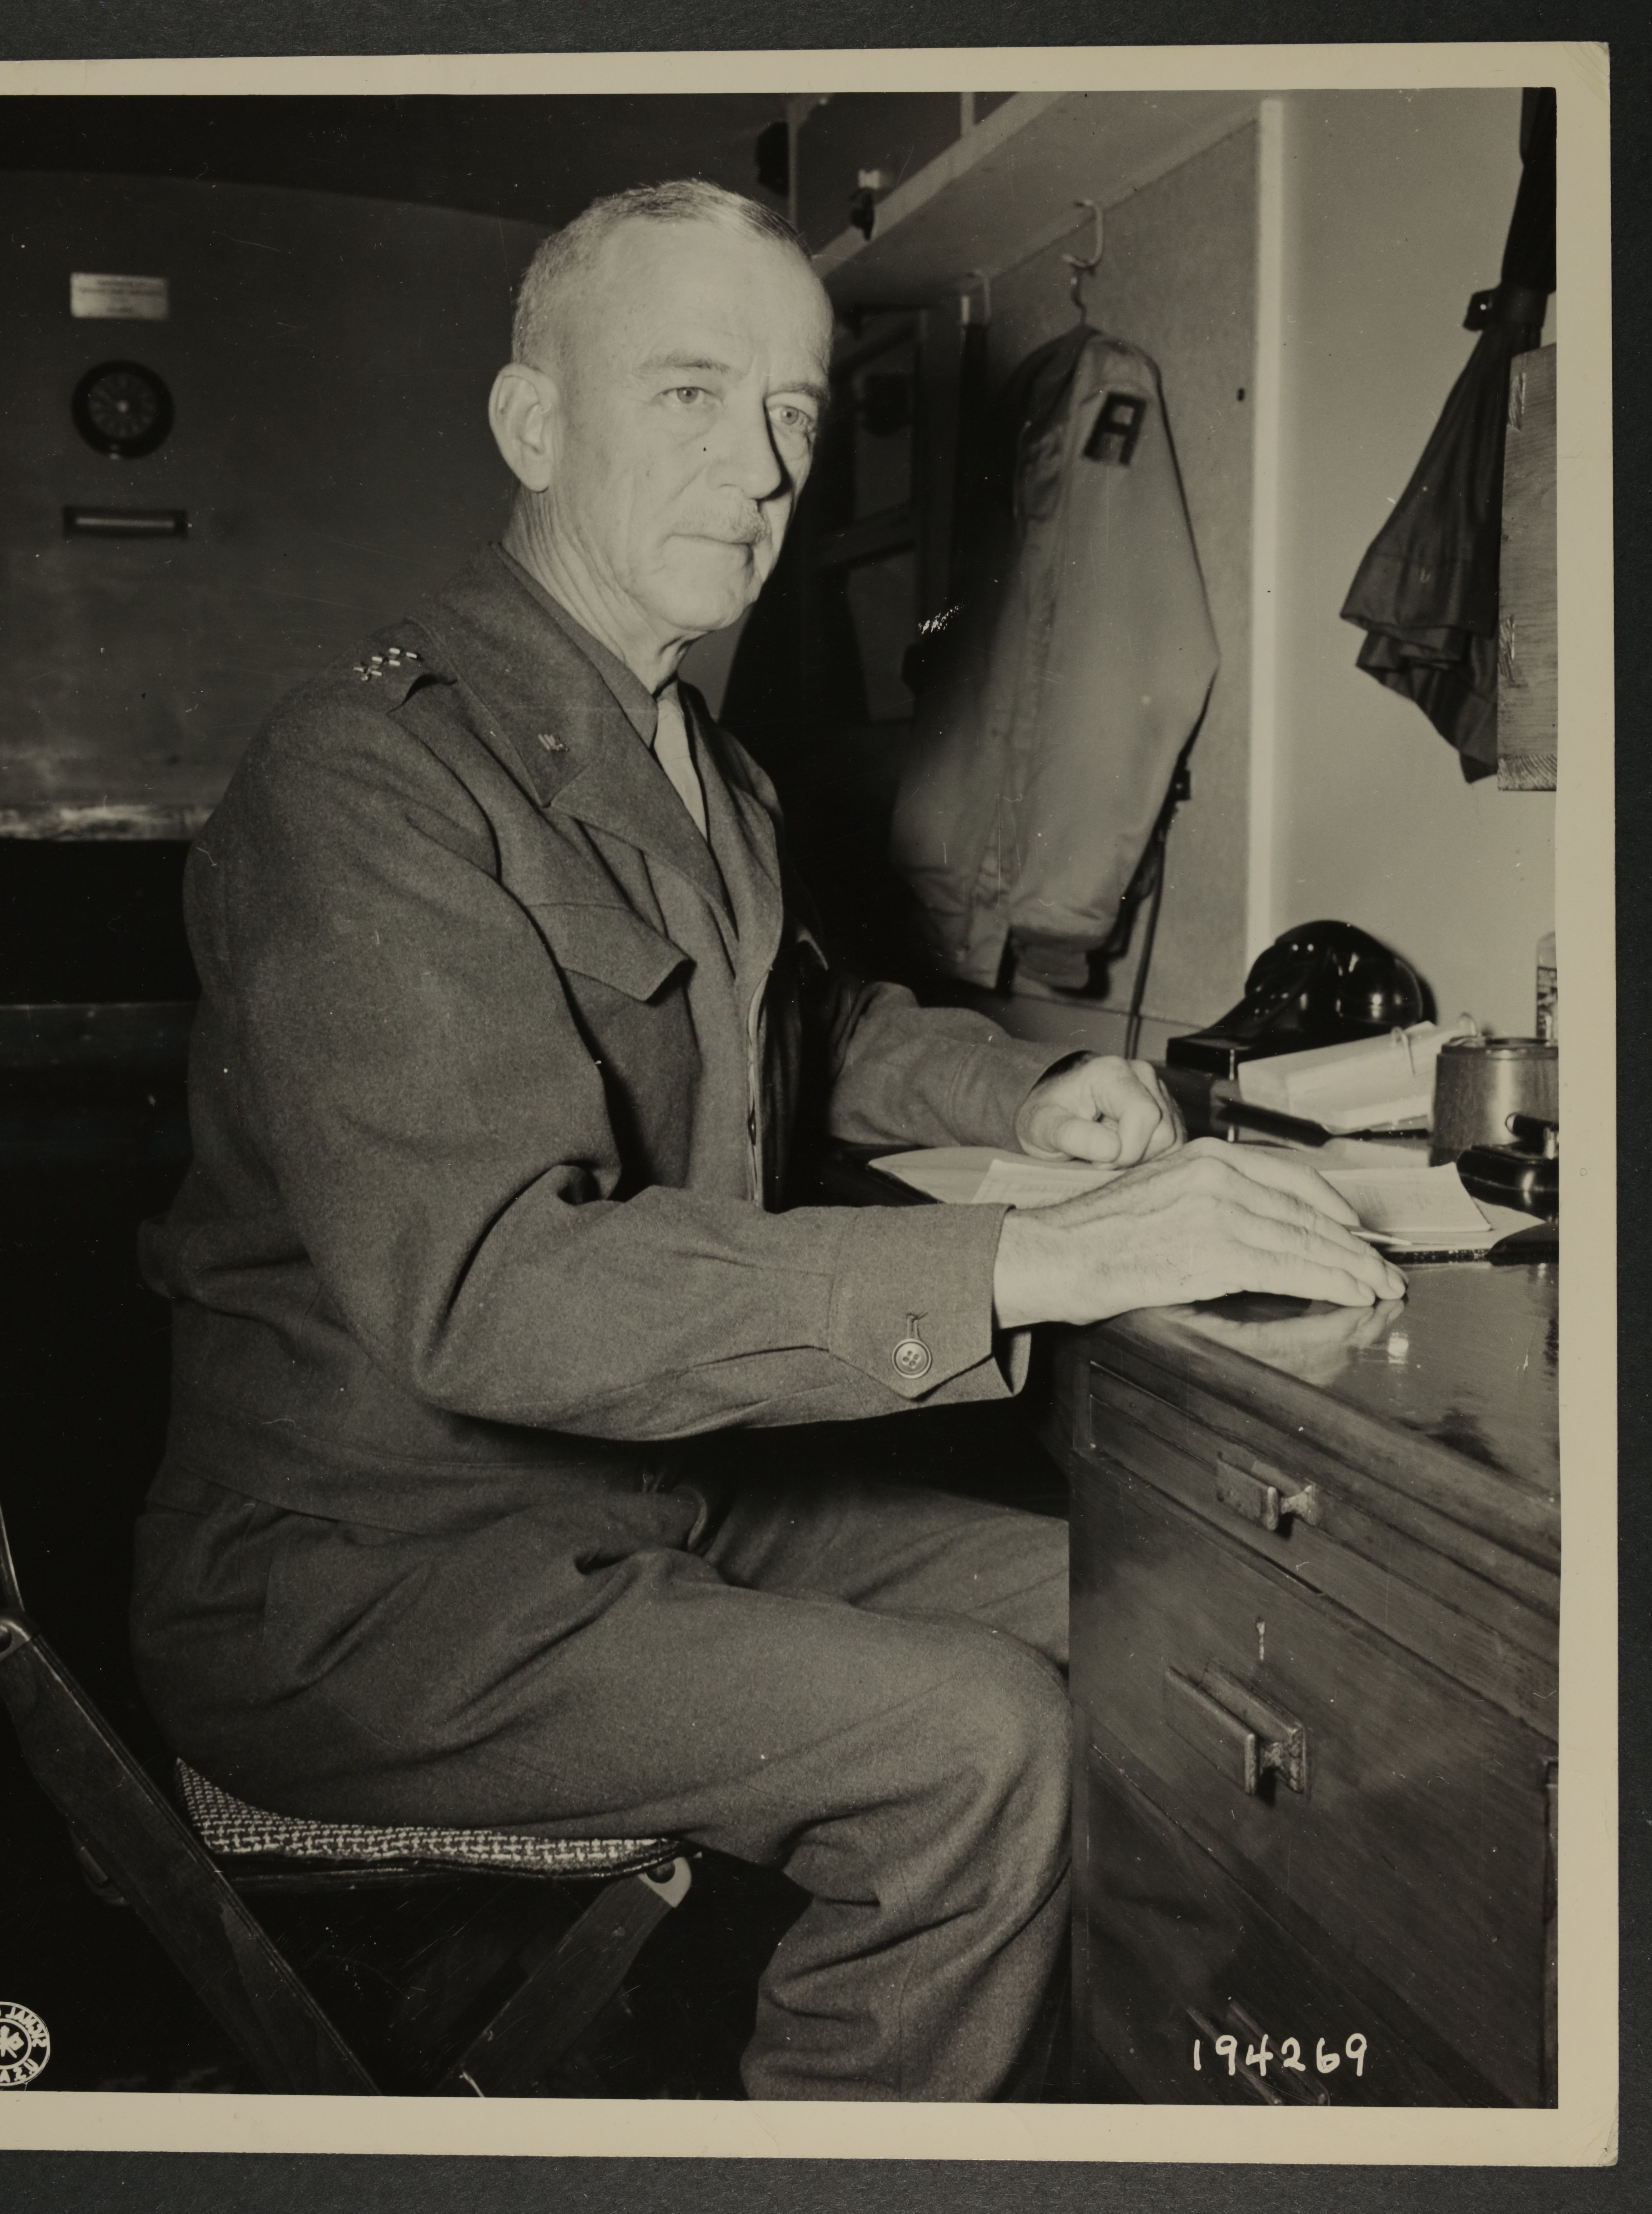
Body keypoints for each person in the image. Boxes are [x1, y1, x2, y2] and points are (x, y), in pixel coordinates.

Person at [131, 180, 1403, 2102]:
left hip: (639, 1498)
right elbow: (491, 1284)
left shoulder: (699, 766)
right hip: (369, 1584)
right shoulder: (369, 778)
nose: (764, 468)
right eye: (694, 396)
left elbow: (800, 1022)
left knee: (1156, 1617)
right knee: (982, 1744)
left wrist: (1026, 1100)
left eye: (797, 410)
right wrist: (1040, 1253)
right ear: (534, 425)